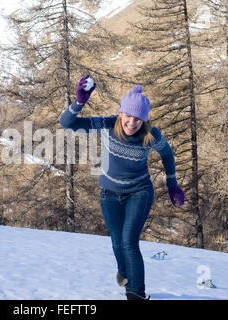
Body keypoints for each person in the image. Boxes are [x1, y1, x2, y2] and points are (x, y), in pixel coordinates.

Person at [59, 75, 185, 300]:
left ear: (144, 120)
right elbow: (67, 123)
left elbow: (167, 154)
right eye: (128, 115)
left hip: (139, 192)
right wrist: (79, 102)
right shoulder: (108, 124)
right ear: (120, 113)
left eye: (138, 118)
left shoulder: (150, 135)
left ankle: (136, 294)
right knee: (117, 243)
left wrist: (172, 184)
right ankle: (125, 273)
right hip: (109, 194)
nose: (131, 122)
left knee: (128, 242)